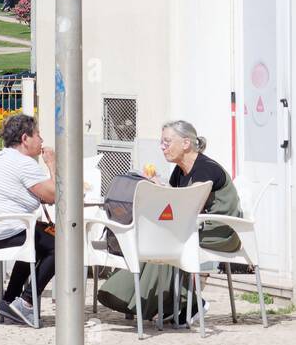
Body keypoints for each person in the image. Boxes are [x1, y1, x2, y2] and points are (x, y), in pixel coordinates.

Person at [98, 120, 241, 325]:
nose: (162, 147)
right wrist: (157, 186)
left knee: (167, 241)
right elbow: (174, 208)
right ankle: (170, 302)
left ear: (185, 143)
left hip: (222, 232)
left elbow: (187, 208)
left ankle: (186, 303)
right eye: (161, 142)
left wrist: (160, 190)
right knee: (156, 237)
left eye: (167, 141)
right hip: (195, 228)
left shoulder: (205, 169)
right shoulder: (180, 171)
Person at [0, 113, 57, 326]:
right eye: (38, 135)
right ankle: (25, 302)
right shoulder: (24, 163)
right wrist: (52, 164)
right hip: (1, 232)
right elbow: (54, 195)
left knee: (37, 236)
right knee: (62, 243)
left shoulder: (0, 158)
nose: (41, 141)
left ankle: (9, 300)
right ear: (25, 139)